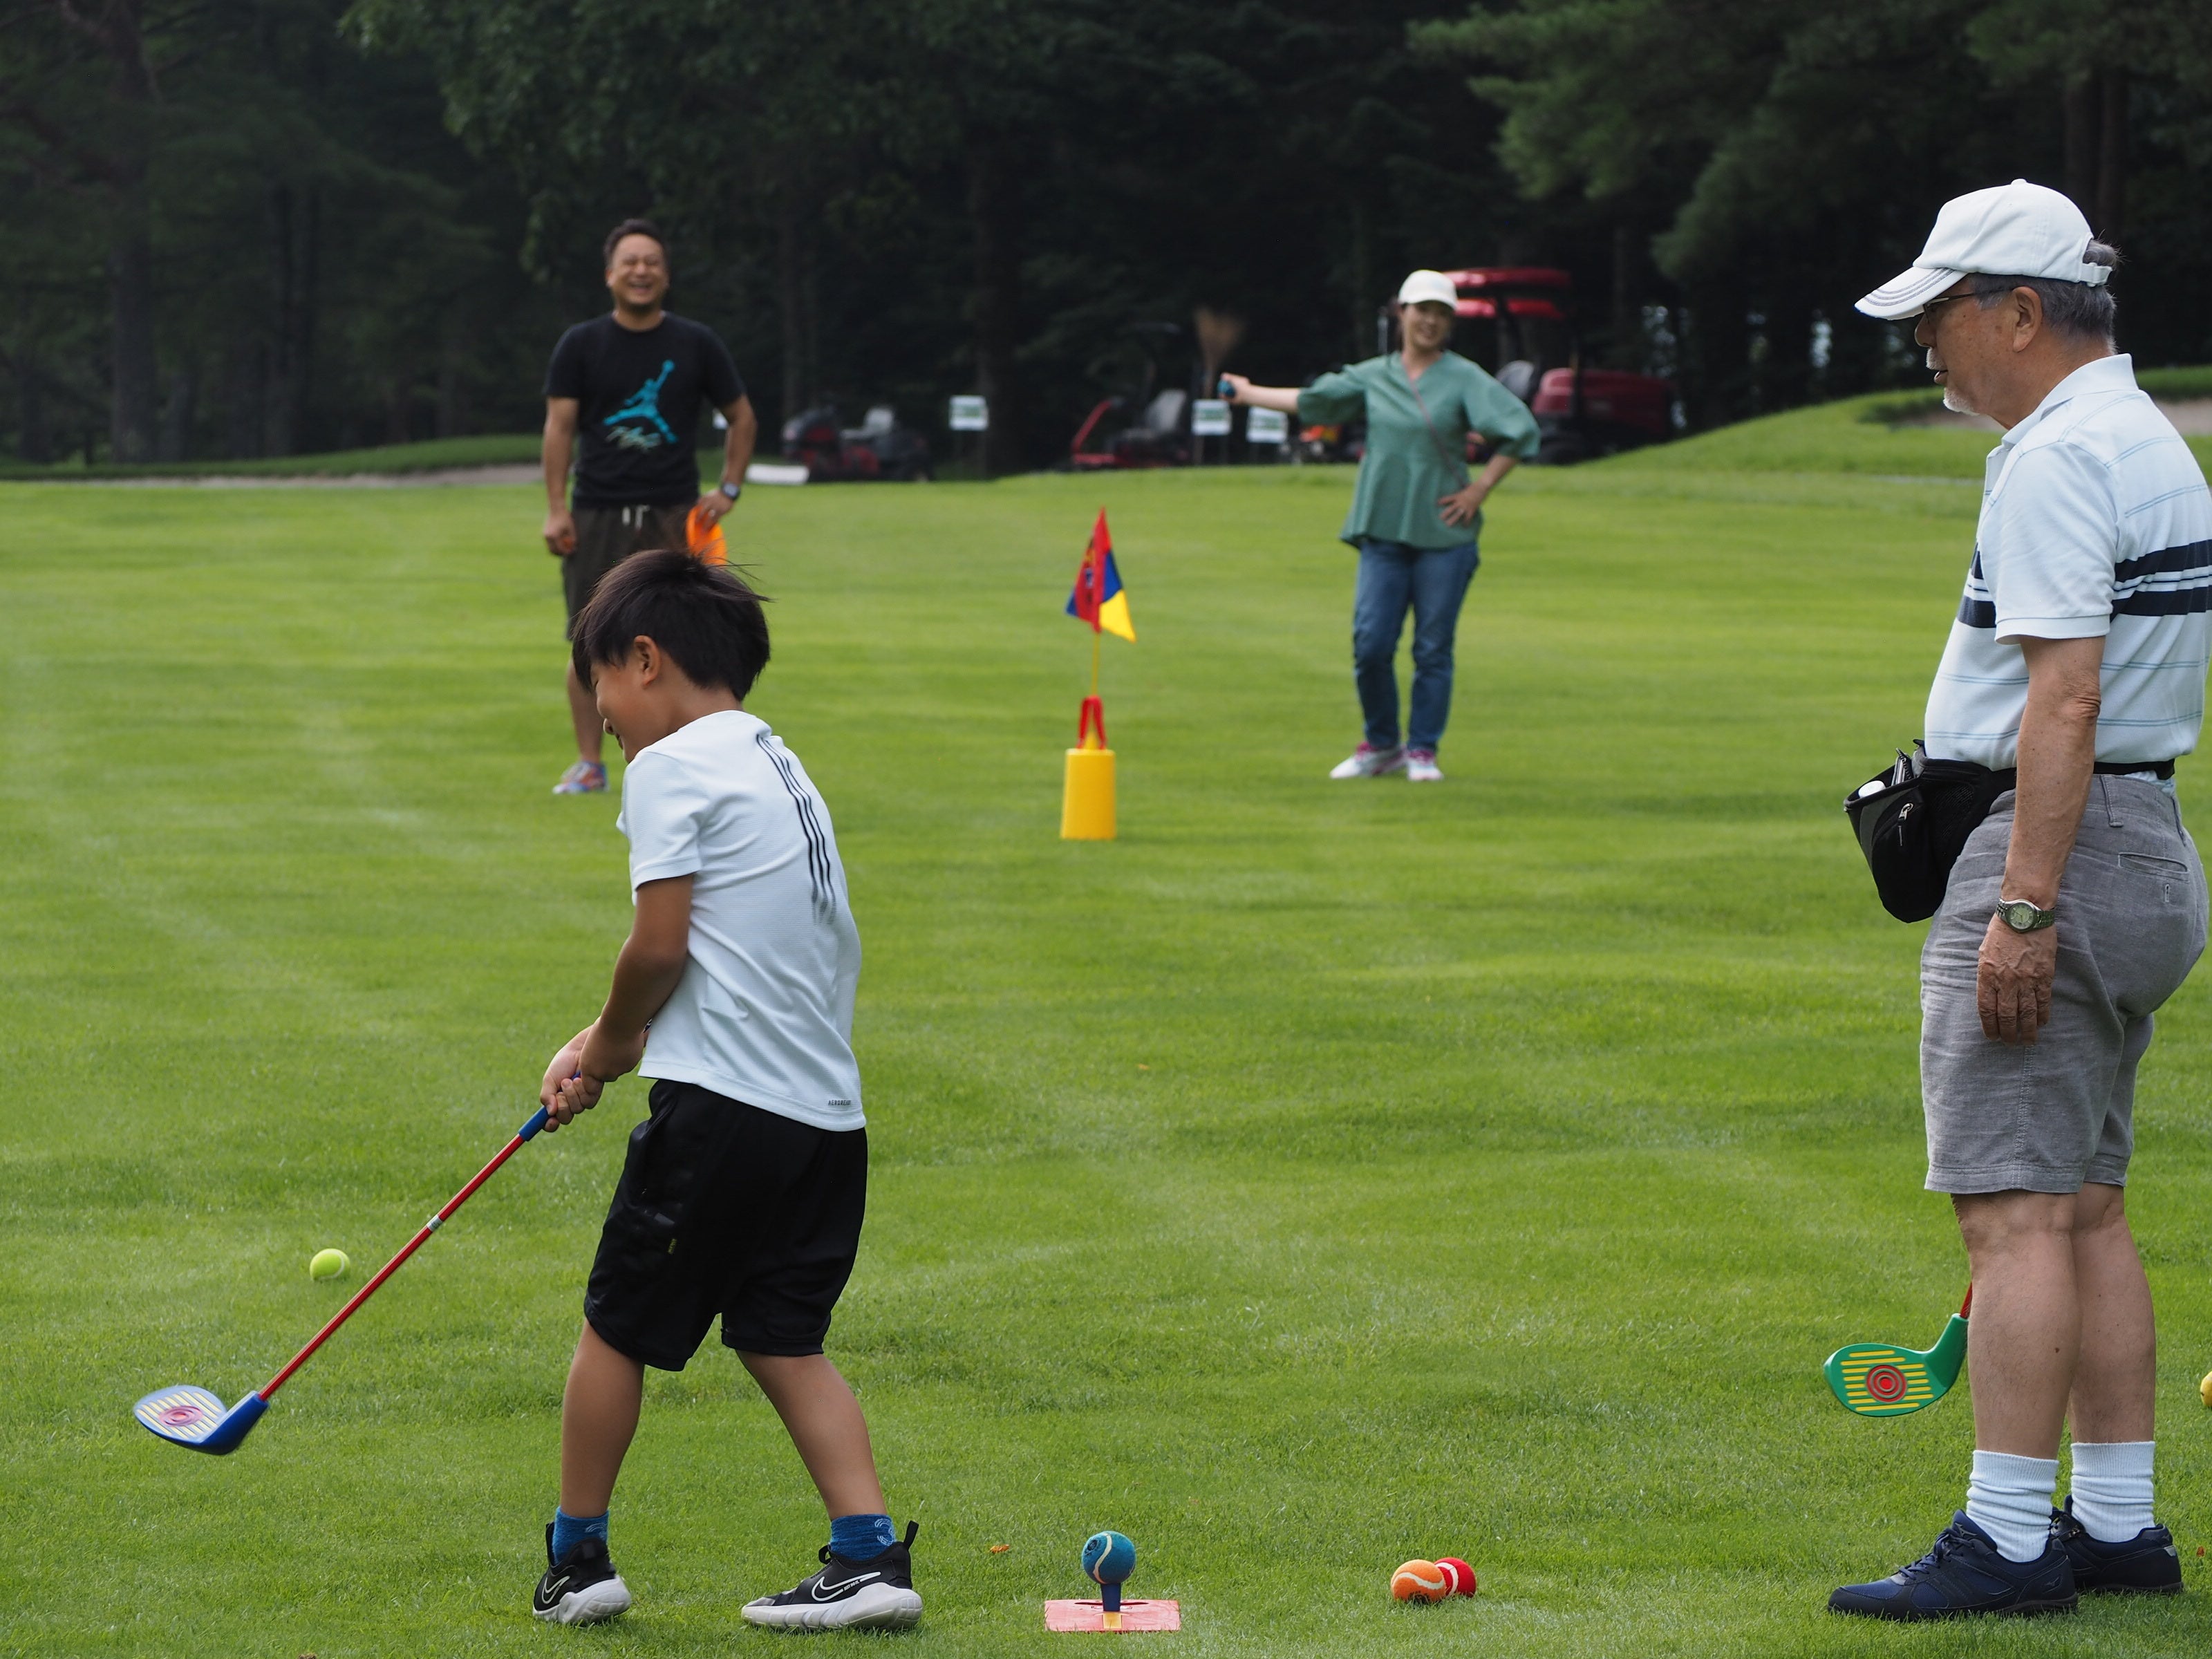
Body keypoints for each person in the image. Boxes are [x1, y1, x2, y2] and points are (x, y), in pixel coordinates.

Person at [1832, 180, 2210, 1620]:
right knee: (2089, 1209)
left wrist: (2023, 908)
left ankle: (2004, 1540)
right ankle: (2116, 1526)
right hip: (2150, 839)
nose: (1926, 343)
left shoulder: (2055, 458)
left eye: (1939, 313)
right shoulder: (2149, 438)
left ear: (2020, 311)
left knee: (2013, 1220)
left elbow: (2062, 698)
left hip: (2053, 845)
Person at [528, 550, 921, 1631]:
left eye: (599, 680)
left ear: (645, 661)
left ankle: (579, 1558)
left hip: (724, 1113)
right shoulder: (772, 759)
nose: (599, 710)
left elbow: (657, 949)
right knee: (779, 1333)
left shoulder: (669, 768)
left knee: (617, 1324)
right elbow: (725, 951)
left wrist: (611, 1050)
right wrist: (598, 1038)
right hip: (822, 1121)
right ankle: (868, 1558)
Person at [1223, 270, 1539, 782]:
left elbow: (1519, 430)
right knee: (1371, 643)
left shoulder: (1463, 378)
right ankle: (1383, 744)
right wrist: (1248, 393)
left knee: (1432, 648)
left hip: (1444, 533)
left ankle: (1422, 751)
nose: (1430, 321)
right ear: (1402, 314)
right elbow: (1313, 402)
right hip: (1384, 529)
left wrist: (1481, 488)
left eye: (1441, 314)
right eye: (1422, 311)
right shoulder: (1373, 376)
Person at [541, 218, 758, 796]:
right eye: (630, 262)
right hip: (598, 514)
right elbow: (560, 428)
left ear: (666, 276)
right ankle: (591, 764)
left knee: (681, 641)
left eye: (653, 262)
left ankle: (685, 760)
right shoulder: (581, 345)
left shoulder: (697, 344)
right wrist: (556, 508)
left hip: (672, 514)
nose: (642, 271)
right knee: (589, 642)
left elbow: (742, 417)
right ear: (610, 274)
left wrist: (728, 489)